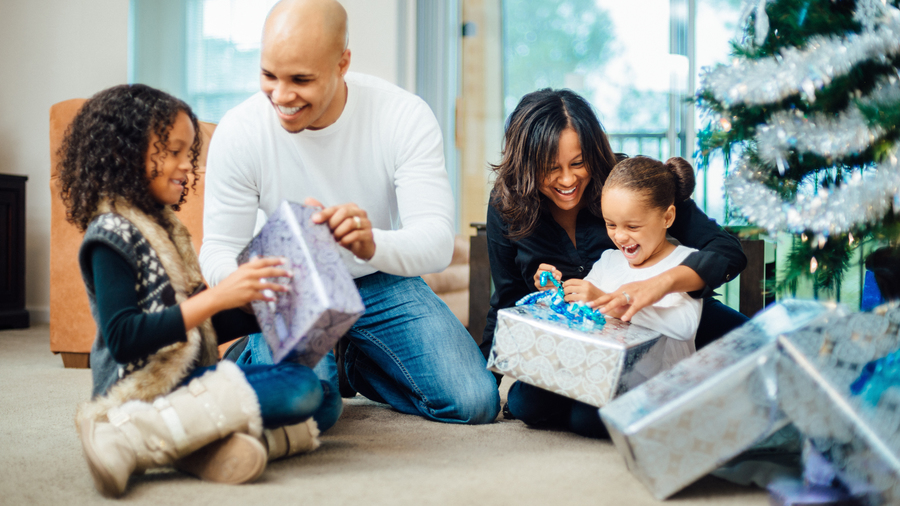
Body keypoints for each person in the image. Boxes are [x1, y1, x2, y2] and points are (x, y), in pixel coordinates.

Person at [199, 0, 500, 425]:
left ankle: (355, 362)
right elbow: (218, 247)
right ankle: (254, 352)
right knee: (312, 414)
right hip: (291, 285)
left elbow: (435, 242)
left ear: (342, 63)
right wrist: (249, 291)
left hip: (377, 276)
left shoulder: (402, 115)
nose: (281, 96)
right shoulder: (241, 130)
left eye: (301, 80)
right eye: (269, 75)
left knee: (475, 403)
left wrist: (371, 242)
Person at [60, 84, 328, 497]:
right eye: (174, 151)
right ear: (122, 153)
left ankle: (187, 443)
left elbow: (204, 328)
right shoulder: (108, 234)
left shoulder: (170, 232)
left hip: (192, 381)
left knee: (327, 401)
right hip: (140, 390)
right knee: (301, 389)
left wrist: (261, 299)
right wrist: (217, 295)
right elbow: (125, 338)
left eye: (190, 153)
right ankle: (127, 433)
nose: (189, 165)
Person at [486, 88, 748, 437]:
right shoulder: (508, 204)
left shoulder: (631, 184)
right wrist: (487, 382)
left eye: (578, 163)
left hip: (668, 321)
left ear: (593, 153)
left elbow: (727, 252)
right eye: (551, 169)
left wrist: (659, 284)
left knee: (753, 349)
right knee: (527, 404)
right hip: (585, 339)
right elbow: (507, 300)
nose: (567, 180)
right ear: (527, 166)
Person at [508, 156, 704, 435]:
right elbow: (580, 308)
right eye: (611, 225)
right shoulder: (609, 260)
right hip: (601, 371)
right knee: (522, 401)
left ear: (667, 217)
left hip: (655, 383)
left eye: (632, 226)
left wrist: (611, 302)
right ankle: (570, 403)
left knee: (584, 419)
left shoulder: (686, 263)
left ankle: (577, 409)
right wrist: (555, 293)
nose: (621, 237)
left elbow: (684, 326)